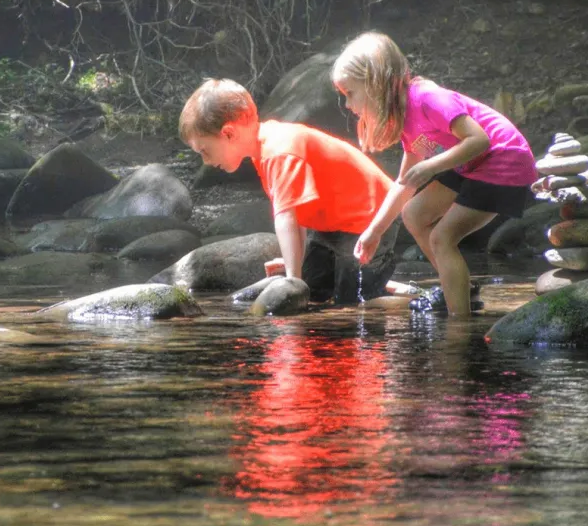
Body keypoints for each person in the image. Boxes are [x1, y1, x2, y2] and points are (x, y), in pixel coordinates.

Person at [331, 31, 536, 315]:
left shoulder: (427, 99)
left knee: (443, 238)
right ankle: (459, 289)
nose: (347, 104)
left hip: (503, 160)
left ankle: (459, 326)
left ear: (374, 82)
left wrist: (431, 165)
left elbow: (478, 140)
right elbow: (405, 182)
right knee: (414, 213)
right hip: (471, 162)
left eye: (350, 93)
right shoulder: (410, 123)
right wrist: (374, 232)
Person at [178, 78, 399, 304]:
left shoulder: (278, 152)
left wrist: (292, 281)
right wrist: (294, 263)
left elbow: (286, 220)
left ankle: (403, 303)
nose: (206, 161)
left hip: (372, 220)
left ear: (229, 134)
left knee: (354, 304)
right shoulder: (265, 149)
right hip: (334, 228)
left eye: (205, 150)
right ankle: (390, 287)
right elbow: (297, 215)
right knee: (314, 292)